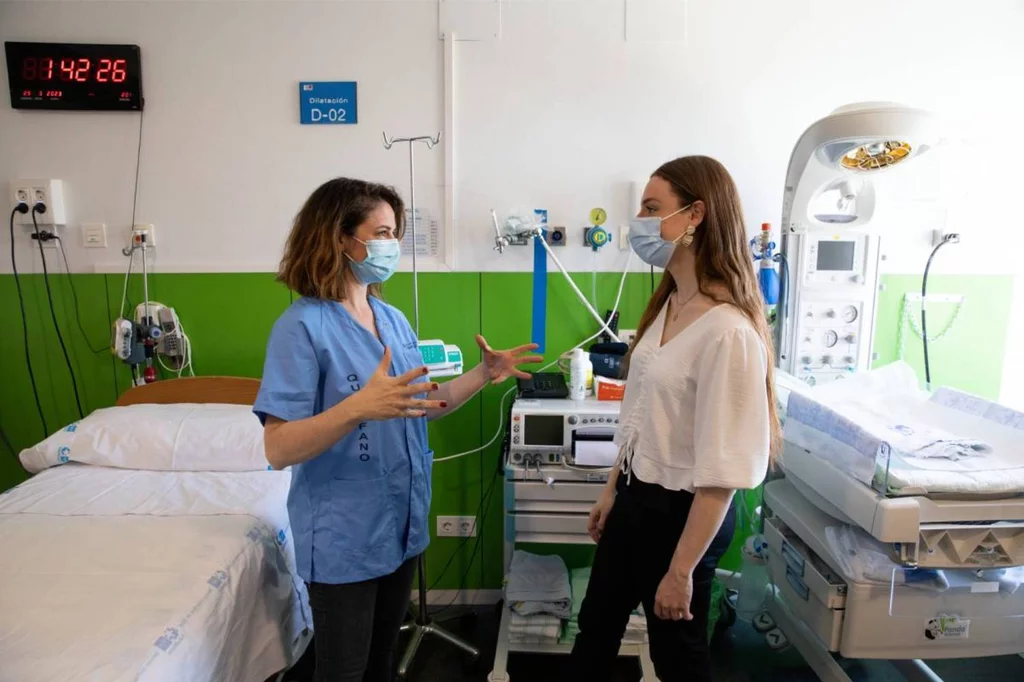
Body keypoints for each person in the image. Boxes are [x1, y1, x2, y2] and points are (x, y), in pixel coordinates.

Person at [253, 177, 541, 682]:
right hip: (343, 537)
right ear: (340, 237)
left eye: (395, 234)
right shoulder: (301, 328)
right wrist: (356, 408)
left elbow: (424, 405)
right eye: (381, 232)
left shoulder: (392, 319)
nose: (391, 246)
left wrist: (483, 374)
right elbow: (278, 448)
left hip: (400, 527)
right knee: (343, 672)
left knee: (382, 663)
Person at [566, 156, 782, 682]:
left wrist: (680, 571)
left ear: (695, 216)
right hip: (637, 499)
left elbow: (723, 472)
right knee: (595, 630)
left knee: (676, 655)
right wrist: (612, 490)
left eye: (651, 207)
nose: (639, 219)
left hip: (686, 514)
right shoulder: (669, 304)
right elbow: (641, 414)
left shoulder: (728, 331)